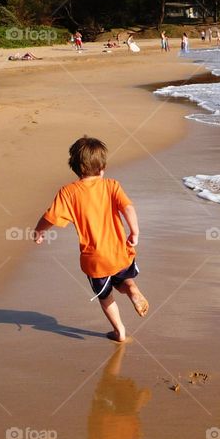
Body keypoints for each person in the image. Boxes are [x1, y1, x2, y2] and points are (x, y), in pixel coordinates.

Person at [33, 137, 148, 342]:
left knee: (105, 297)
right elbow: (128, 208)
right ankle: (132, 290)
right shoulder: (112, 185)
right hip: (120, 252)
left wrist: (39, 232)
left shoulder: (68, 192)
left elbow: (49, 217)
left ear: (75, 167)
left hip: (95, 259)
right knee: (122, 279)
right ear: (102, 167)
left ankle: (119, 331)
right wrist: (135, 232)